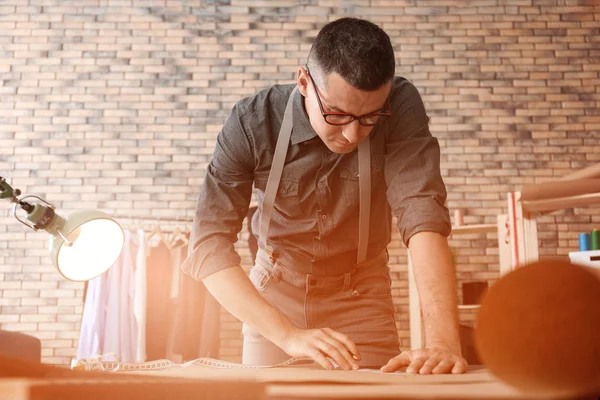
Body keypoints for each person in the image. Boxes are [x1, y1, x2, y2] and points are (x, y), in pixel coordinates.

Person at [182, 17, 468, 374]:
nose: (352, 134)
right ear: (303, 82)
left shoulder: (401, 105)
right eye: (337, 114)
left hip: (361, 295)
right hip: (275, 293)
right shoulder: (252, 123)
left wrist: (442, 342)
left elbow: (422, 211)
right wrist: (287, 336)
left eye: (369, 118)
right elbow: (208, 244)